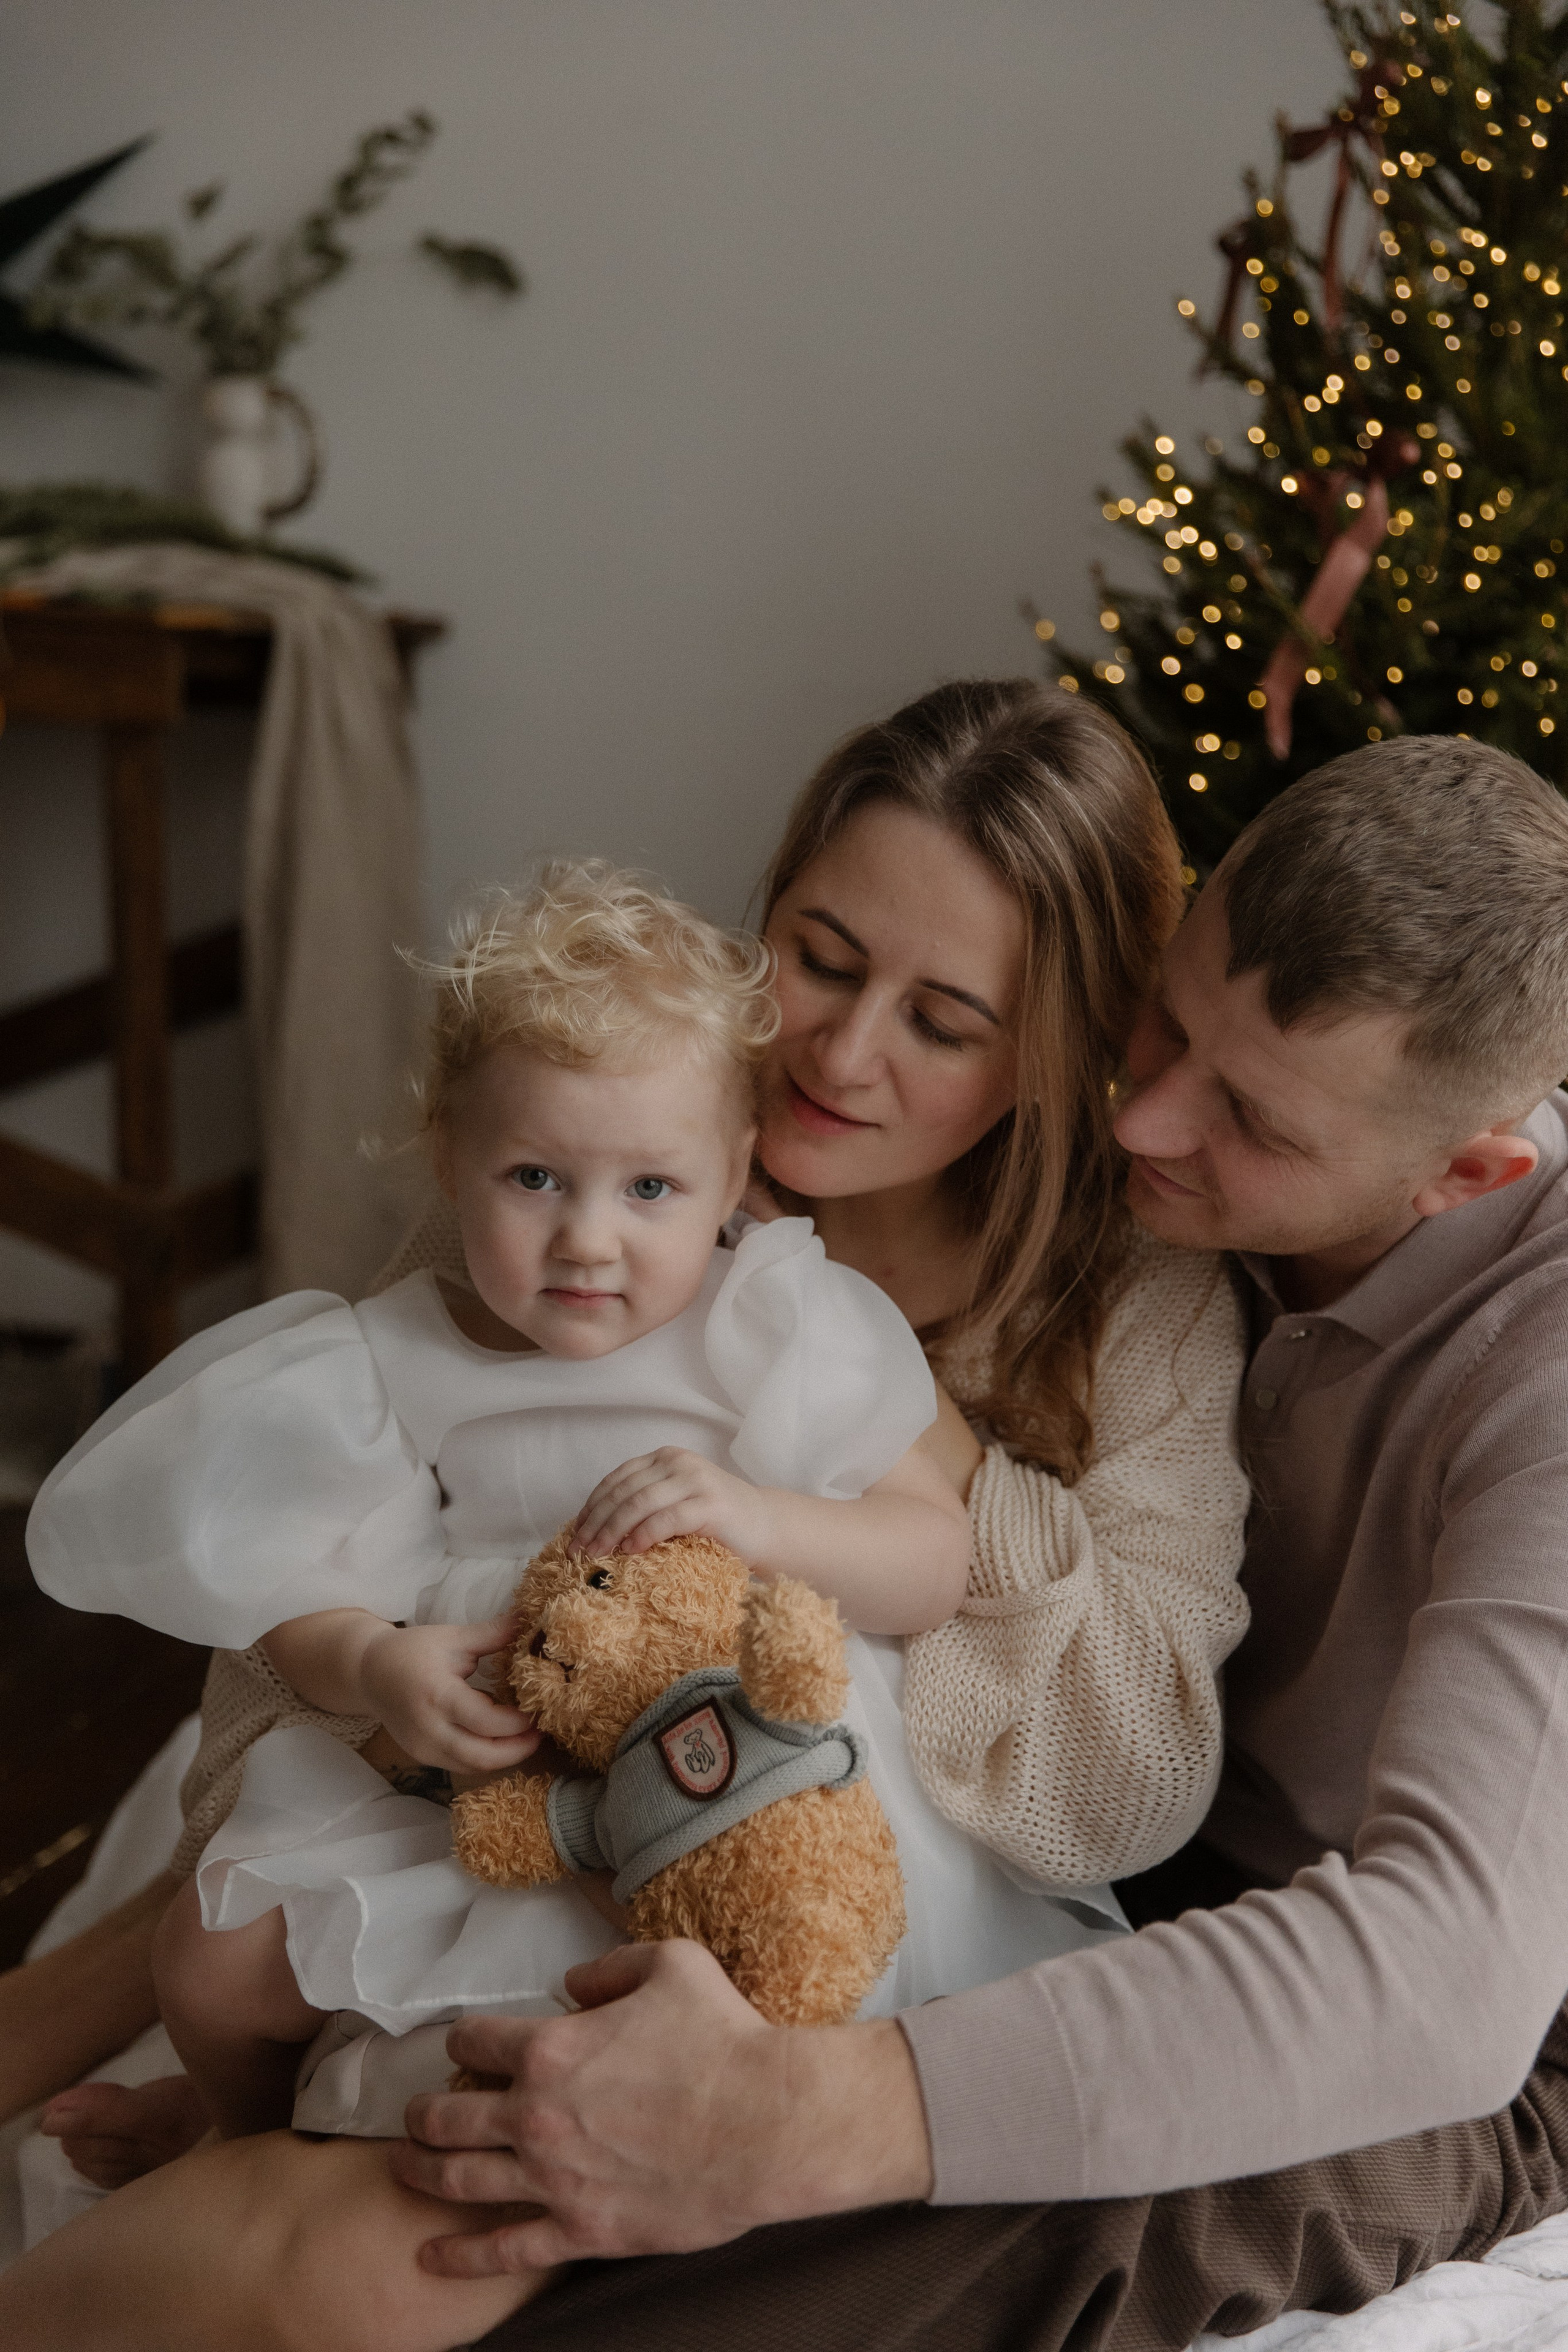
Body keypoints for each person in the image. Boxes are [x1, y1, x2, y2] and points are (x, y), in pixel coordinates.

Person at [0, 679, 1251, 2347]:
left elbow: (1128, 1763)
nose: (838, 1052)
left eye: (945, 1021)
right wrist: (396, 1696)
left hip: (769, 1871)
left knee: (380, 2248)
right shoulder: (602, 1137)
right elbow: (318, 1604)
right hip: (475, 1809)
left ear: (1054, 1056)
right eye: (819, 954)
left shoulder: (1132, 1298)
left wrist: (897, 1426)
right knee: (246, 1949)